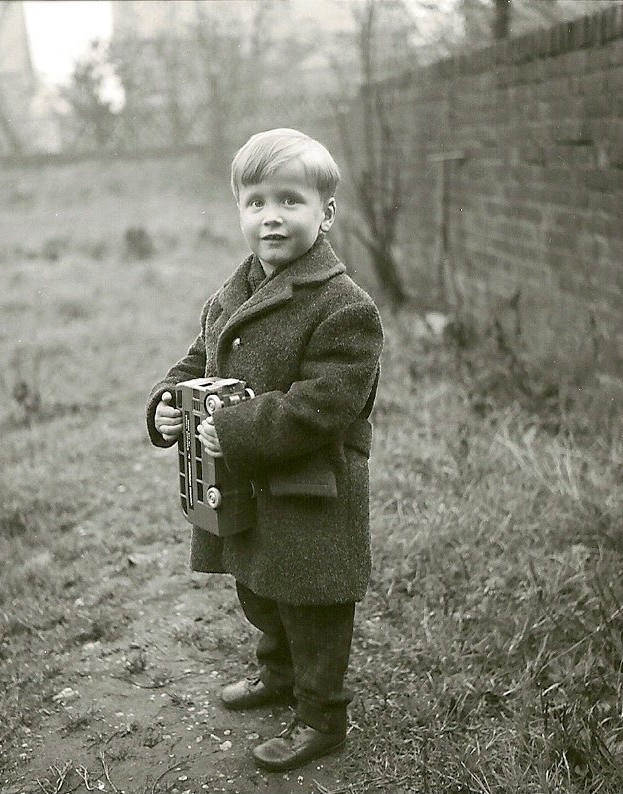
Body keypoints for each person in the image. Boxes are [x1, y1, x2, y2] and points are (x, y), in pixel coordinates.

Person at [145, 128, 383, 773]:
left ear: (324, 213)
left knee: (312, 602)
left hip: (313, 488)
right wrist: (168, 401)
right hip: (246, 483)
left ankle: (321, 715)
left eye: (290, 200)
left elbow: (323, 405)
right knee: (258, 587)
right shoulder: (234, 290)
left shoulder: (343, 306)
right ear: (240, 212)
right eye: (256, 202)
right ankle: (277, 675)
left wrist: (241, 428)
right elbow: (198, 358)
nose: (271, 216)